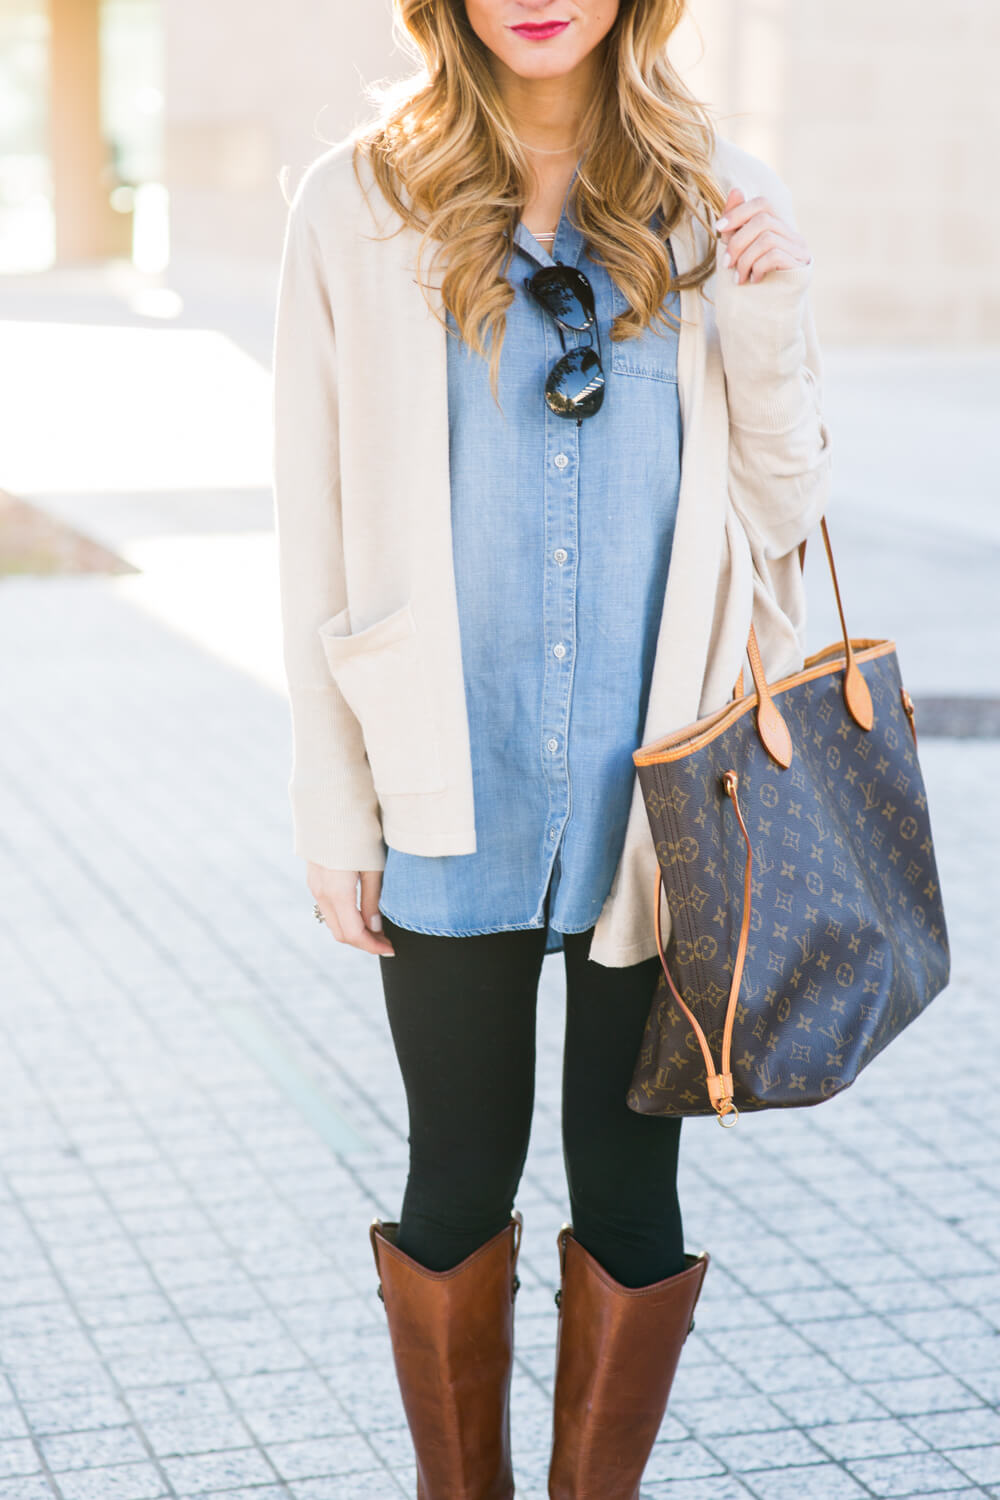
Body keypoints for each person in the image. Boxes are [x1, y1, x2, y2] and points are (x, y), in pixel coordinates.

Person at [271, 1, 828, 1495]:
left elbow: (781, 513)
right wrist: (335, 807)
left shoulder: (715, 190)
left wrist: (770, 313)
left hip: (655, 811)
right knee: (454, 1183)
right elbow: (312, 526)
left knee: (632, 1194)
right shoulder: (355, 201)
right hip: (443, 789)